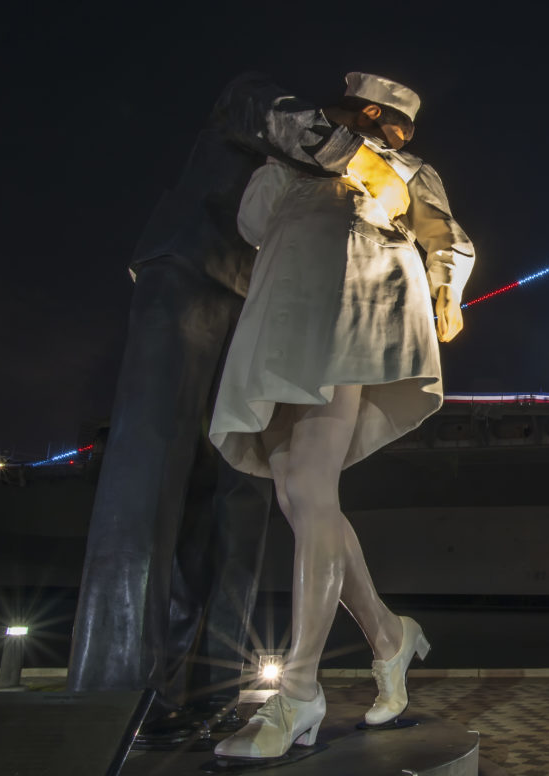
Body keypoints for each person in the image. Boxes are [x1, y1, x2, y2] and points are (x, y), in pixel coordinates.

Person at [67, 73, 372, 720]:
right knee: (147, 476)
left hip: (258, 310)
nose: (383, 143)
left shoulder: (328, 182)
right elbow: (285, 121)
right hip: (188, 273)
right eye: (380, 127)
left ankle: (206, 694)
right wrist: (363, 157)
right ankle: (110, 694)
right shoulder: (261, 106)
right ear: (356, 113)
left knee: (240, 499)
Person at [209, 72, 474, 759]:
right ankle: (389, 635)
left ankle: (299, 691)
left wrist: (448, 287)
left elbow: (445, 233)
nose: (398, 138)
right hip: (286, 314)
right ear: (367, 113)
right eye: (391, 124)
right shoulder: (295, 159)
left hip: (361, 304)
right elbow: (253, 217)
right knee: (302, 495)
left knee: (310, 489)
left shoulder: (406, 172)